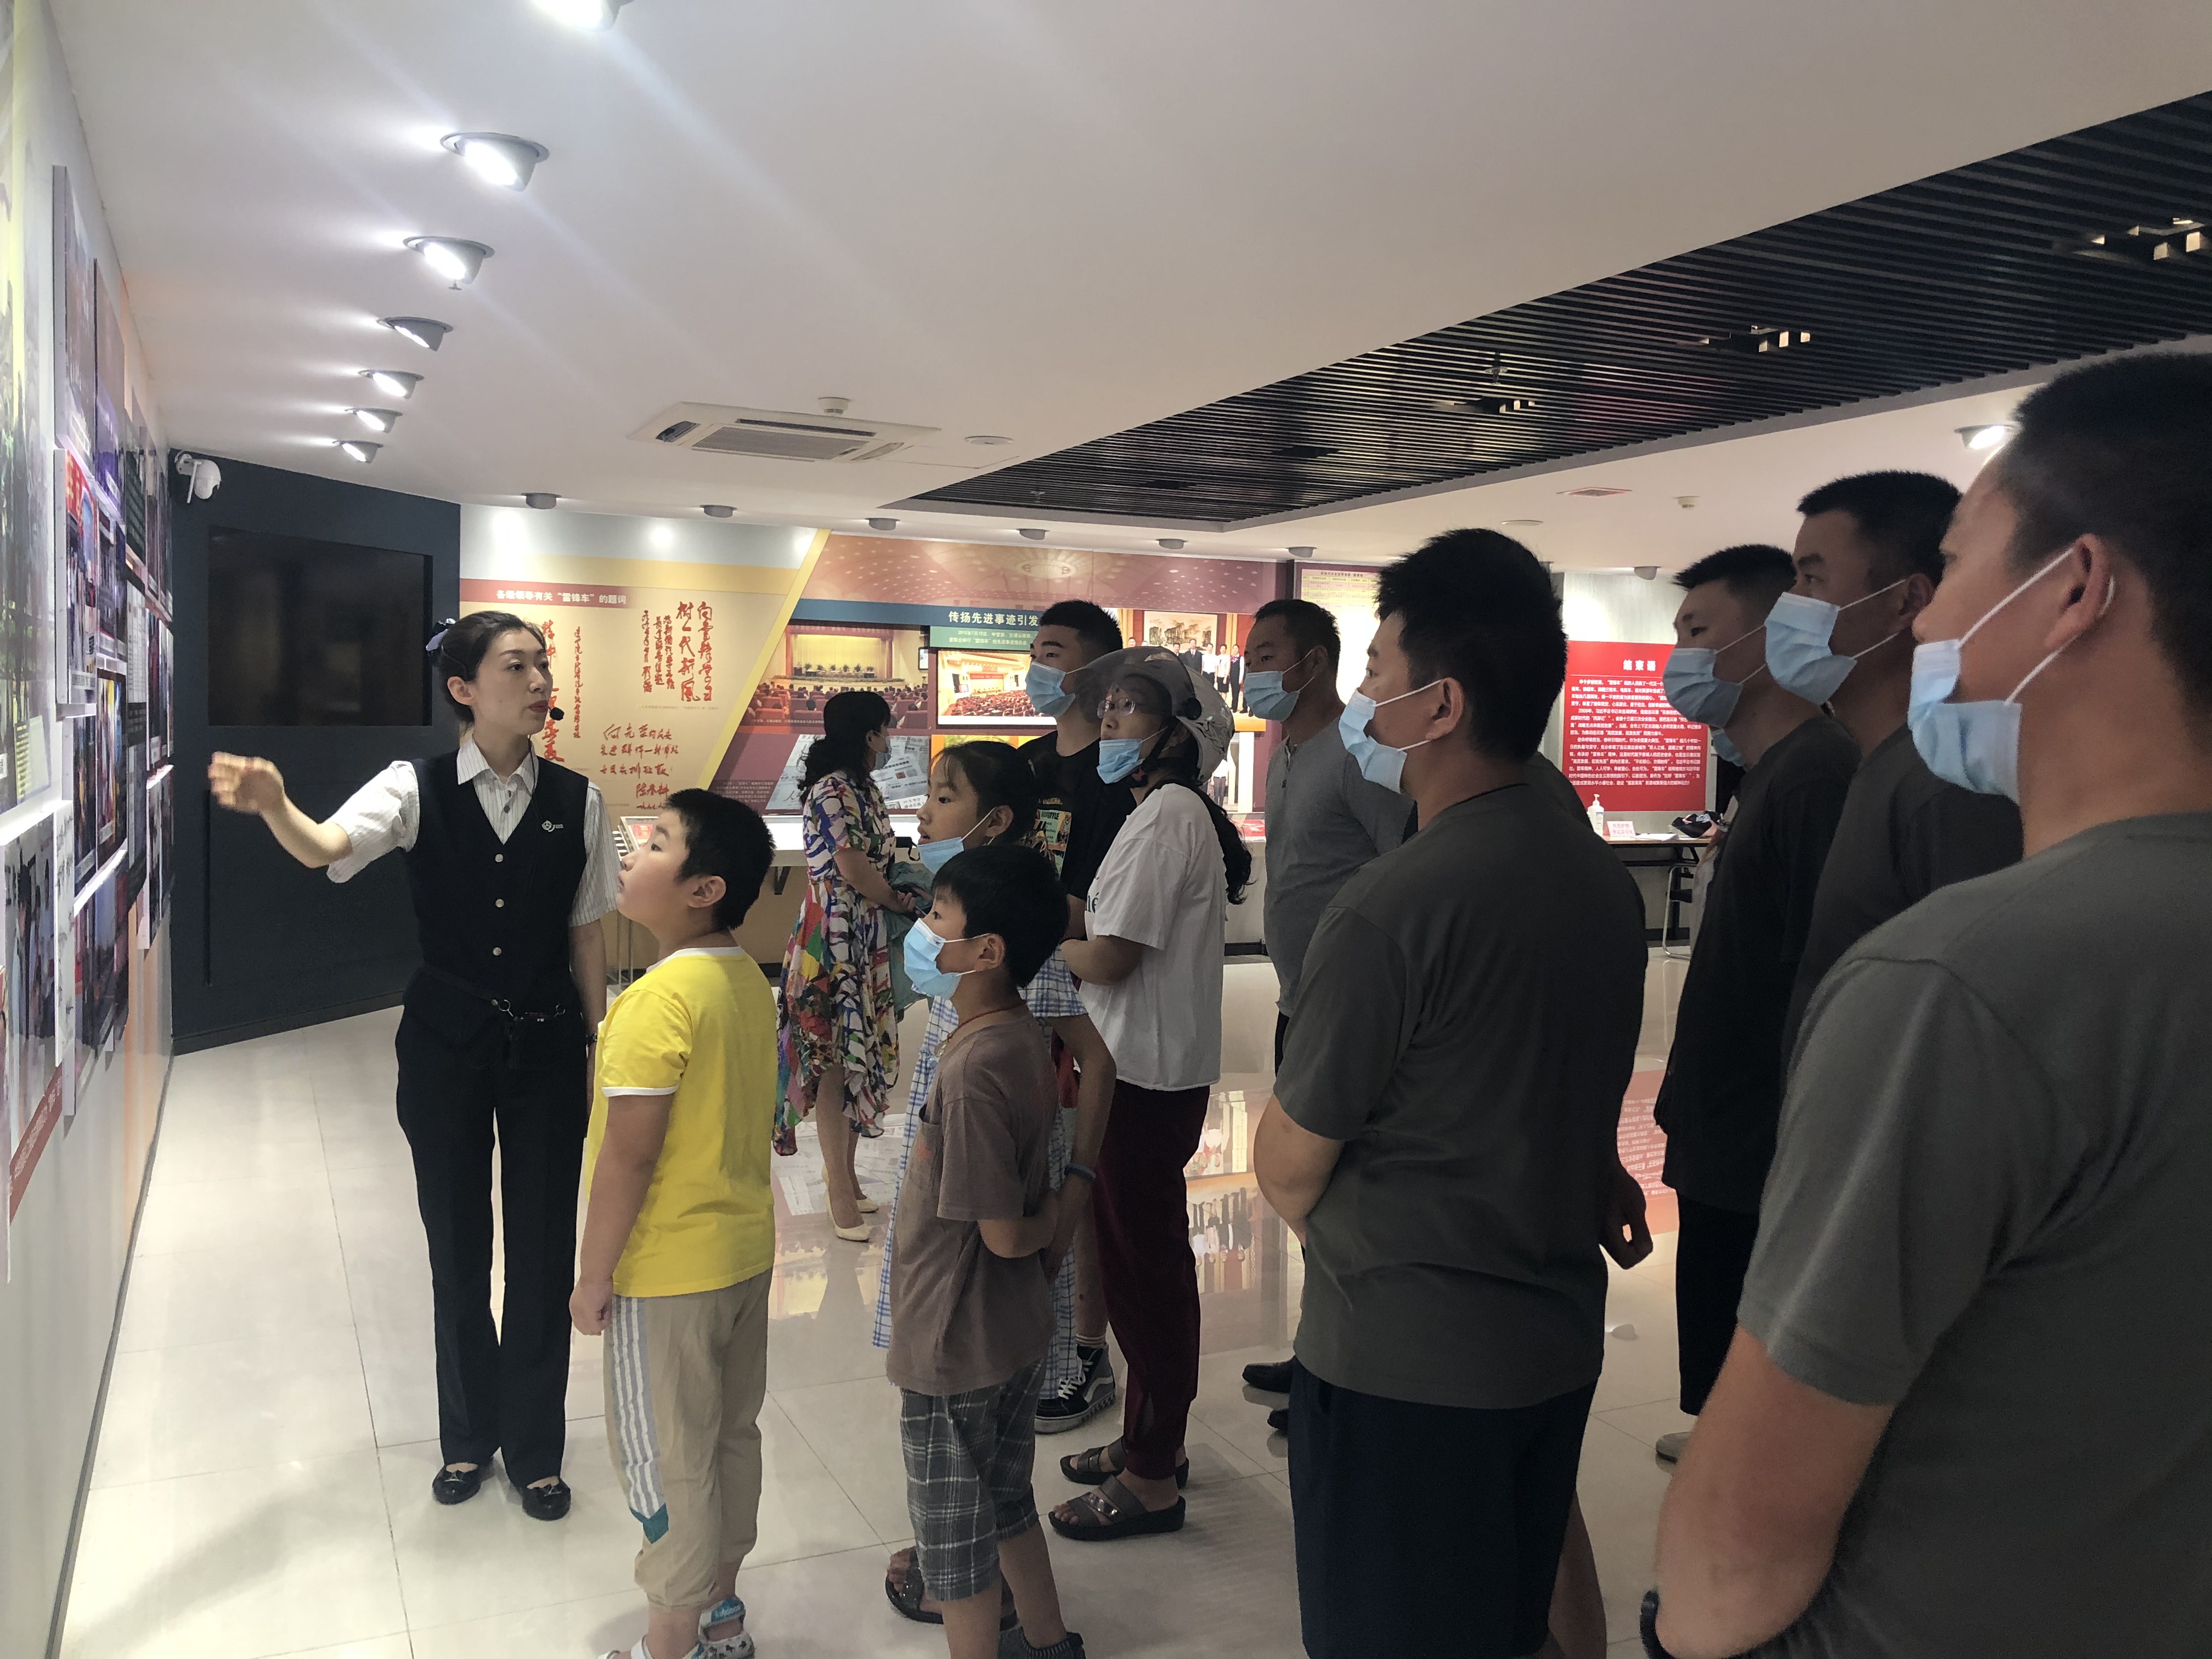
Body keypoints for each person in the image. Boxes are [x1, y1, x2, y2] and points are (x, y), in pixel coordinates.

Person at [1647, 352, 2212, 1659]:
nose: (1931, 616)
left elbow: (1740, 1545)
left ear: (2073, 589)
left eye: (1956, 567)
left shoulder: (1963, 981)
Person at [1248, 530, 1646, 1659]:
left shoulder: (1394, 905)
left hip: (1403, 1366)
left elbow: (1289, 1164)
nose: (1361, 699)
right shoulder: (1593, 872)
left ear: (1442, 704)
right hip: (1551, 1344)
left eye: (1377, 671)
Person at [207, 612, 618, 1520]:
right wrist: (276, 804)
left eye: (543, 664)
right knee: (458, 1246)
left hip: (548, 1046)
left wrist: (602, 1043)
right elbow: (327, 849)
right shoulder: (414, 786)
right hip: (445, 1048)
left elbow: (586, 932)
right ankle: (467, 1436)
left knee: (543, 1251)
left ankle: (536, 1449)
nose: (540, 680)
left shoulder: (581, 799)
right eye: (517, 665)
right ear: (464, 689)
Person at [876, 743, 1119, 1627]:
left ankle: (972, 1600)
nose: (925, 810)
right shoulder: (997, 1001)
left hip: (968, 1273)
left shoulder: (1005, 989)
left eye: (945, 796)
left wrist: (1073, 1189)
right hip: (971, 1239)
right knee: (1000, 1485)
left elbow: (1094, 1063)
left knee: (961, 1510)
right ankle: (1041, 1633)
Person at [1654, 545, 1858, 1458]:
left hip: (1757, 1133)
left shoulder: (1815, 774)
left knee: (1751, 1341)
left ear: (1768, 639)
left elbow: (1815, 973)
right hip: (1724, 1124)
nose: (1681, 655)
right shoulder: (1769, 771)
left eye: (1699, 630)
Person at [569, 791, 778, 1659]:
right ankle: (722, 1614)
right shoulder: (744, 980)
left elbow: (629, 1157)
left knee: (666, 1461)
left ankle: (670, 1644)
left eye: (656, 843)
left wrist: (593, 1276)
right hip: (744, 1256)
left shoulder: (655, 1001)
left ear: (704, 889)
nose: (631, 853)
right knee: (729, 1437)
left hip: (666, 1274)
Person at [1047, 645, 1249, 1543]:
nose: (1109, 719)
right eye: (1109, 705)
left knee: (1146, 1275)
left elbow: (1110, 956)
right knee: (1136, 1268)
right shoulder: (1158, 814)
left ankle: (1152, 1475)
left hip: (1141, 1074)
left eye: (1130, 706)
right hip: (1132, 1066)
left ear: (1179, 733)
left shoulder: (1168, 815)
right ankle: (1148, 1443)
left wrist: (1030, 947)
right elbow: (1102, 925)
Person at [1768, 471, 2022, 1061]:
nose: (1789, 607)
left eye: (1813, 579)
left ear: (1906, 601)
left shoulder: (1948, 783)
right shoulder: (1881, 767)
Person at [1234, 597, 1408, 1406]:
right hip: (1296, 1001)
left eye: (1268, 654)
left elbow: (1400, 868)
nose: (1254, 671)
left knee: (1340, 1195)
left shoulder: (1356, 753)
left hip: (1344, 1012)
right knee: (1309, 1197)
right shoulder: (1288, 752)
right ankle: (1318, 1357)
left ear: (1314, 663)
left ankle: (1344, 1372)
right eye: (1251, 656)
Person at [1017, 600, 1133, 1426]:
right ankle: (1036, 1333)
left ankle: (1088, 1348)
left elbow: (1109, 913)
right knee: (1024, 1166)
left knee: (1080, 1173)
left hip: (1085, 998)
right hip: (1015, 992)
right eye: (1034, 651)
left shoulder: (1118, 778)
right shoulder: (1025, 767)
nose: (1036, 667)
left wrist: (1046, 915)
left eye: (1052, 652)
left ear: (1094, 672)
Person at [776, 688, 918, 1239]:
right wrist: (898, 900)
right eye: (886, 728)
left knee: (861, 1053)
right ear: (869, 734)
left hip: (863, 935)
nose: (890, 739)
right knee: (836, 1057)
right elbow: (854, 868)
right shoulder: (834, 790)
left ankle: (847, 1174)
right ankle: (837, 1184)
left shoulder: (863, 787)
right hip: (833, 938)